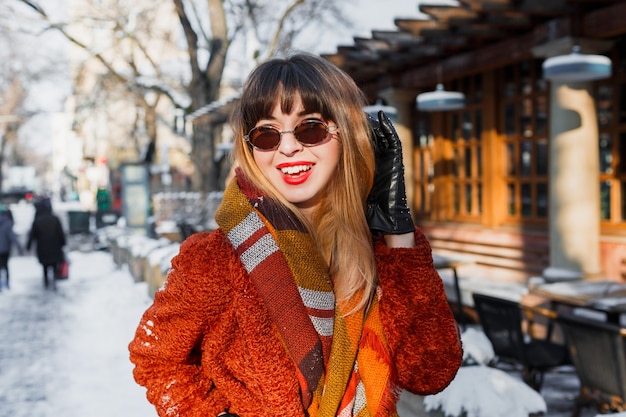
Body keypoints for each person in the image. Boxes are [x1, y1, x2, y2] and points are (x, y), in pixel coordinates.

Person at [128, 52, 463, 417]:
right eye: (267, 134)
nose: (288, 147)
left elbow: (431, 371)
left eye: (310, 128)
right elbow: (155, 360)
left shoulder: (379, 255)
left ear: (346, 134)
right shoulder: (215, 258)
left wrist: (399, 236)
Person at [26, 199, 67, 288]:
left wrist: (28, 246)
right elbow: (60, 233)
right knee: (54, 265)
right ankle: (54, 282)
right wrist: (63, 243)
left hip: (42, 248)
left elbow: (32, 235)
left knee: (45, 266)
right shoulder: (54, 219)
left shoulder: (37, 220)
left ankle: (46, 282)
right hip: (55, 247)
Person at [0, 209, 23, 290]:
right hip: (5, 249)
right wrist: (19, 247)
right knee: (5, 266)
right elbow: (12, 237)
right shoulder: (7, 223)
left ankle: (0, 285)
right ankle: (7, 284)